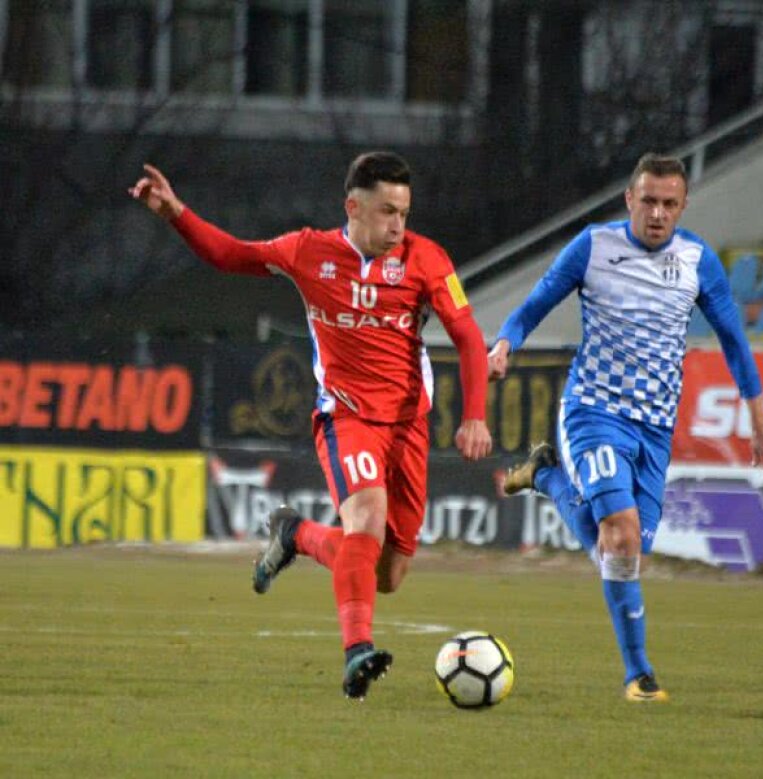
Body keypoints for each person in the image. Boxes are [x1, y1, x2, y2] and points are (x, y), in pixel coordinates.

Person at [129, 152, 492, 700]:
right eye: (388, 211)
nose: (398, 225)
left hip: (408, 425)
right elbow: (232, 256)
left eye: (405, 213)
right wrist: (177, 213)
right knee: (366, 519)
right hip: (345, 417)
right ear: (353, 206)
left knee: (388, 575)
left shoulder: (426, 259)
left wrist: (474, 417)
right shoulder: (309, 252)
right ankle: (356, 653)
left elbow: (467, 336)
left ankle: (296, 534)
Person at [487, 153, 763, 702]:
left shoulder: (698, 260)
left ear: (682, 207)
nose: (657, 213)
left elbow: (733, 340)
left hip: (654, 427)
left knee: (622, 553)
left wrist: (760, 415)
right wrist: (507, 340)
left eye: (669, 204)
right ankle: (638, 673)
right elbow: (533, 305)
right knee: (621, 532)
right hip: (593, 410)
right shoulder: (594, 247)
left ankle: (547, 479)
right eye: (648, 200)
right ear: (629, 199)